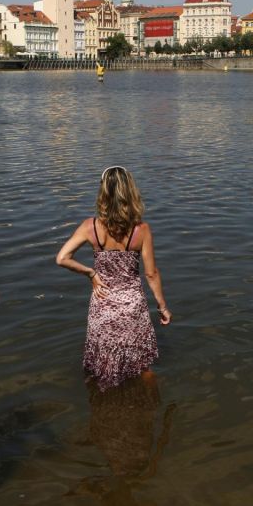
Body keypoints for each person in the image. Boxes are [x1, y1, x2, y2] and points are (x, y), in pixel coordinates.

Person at [56, 166, 171, 390]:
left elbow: (62, 258)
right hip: (132, 306)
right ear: (130, 192)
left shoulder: (90, 227)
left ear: (103, 193)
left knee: (101, 366)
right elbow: (151, 273)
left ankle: (105, 408)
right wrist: (162, 306)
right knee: (142, 367)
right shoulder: (142, 230)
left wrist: (91, 273)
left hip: (103, 302)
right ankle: (149, 406)